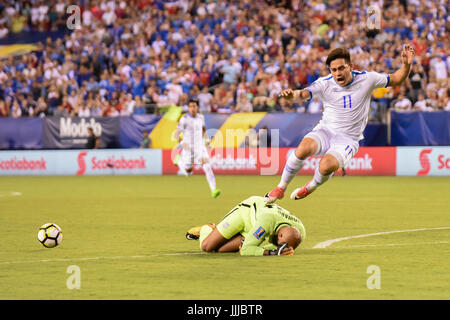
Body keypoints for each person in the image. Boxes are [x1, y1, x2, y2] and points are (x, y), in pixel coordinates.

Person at [265, 45, 415, 202]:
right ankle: (280, 187)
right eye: (334, 70)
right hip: (326, 130)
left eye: (341, 68)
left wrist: (406, 65)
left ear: (350, 67)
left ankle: (311, 186)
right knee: (303, 148)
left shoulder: (367, 79)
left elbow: (397, 79)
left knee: (325, 166)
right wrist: (292, 96)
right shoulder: (325, 83)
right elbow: (304, 93)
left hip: (348, 139)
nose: (338, 73)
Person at [185, 196, 306, 256]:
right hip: (244, 213)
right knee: (206, 246)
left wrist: (279, 249)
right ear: (280, 234)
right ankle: (208, 228)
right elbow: (246, 250)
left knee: (219, 250)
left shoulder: (300, 231)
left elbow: (276, 244)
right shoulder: (267, 221)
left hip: (256, 224)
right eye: (279, 242)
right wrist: (272, 253)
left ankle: (238, 236)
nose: (278, 244)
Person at [173, 99, 221, 198]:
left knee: (207, 167)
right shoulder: (184, 119)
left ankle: (214, 190)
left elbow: (203, 129)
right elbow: (176, 134)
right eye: (190, 106)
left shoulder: (201, 117)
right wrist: (182, 143)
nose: (192, 108)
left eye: (194, 106)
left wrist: (207, 141)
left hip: (200, 147)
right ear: (188, 108)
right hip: (188, 148)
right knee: (188, 172)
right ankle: (179, 161)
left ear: (197, 107)